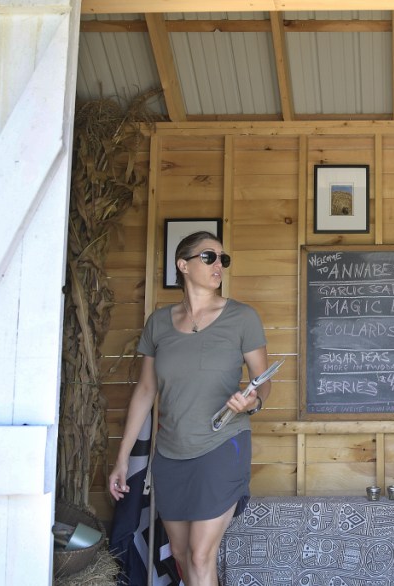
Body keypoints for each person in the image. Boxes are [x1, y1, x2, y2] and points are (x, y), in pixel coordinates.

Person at [109, 230, 270, 586]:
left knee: (200, 556)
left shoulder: (242, 317)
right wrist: (122, 459)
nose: (219, 265)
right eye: (209, 257)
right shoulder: (159, 323)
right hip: (170, 454)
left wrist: (251, 401)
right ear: (183, 265)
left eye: (223, 259)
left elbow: (264, 381)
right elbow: (146, 390)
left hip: (221, 445)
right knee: (181, 557)